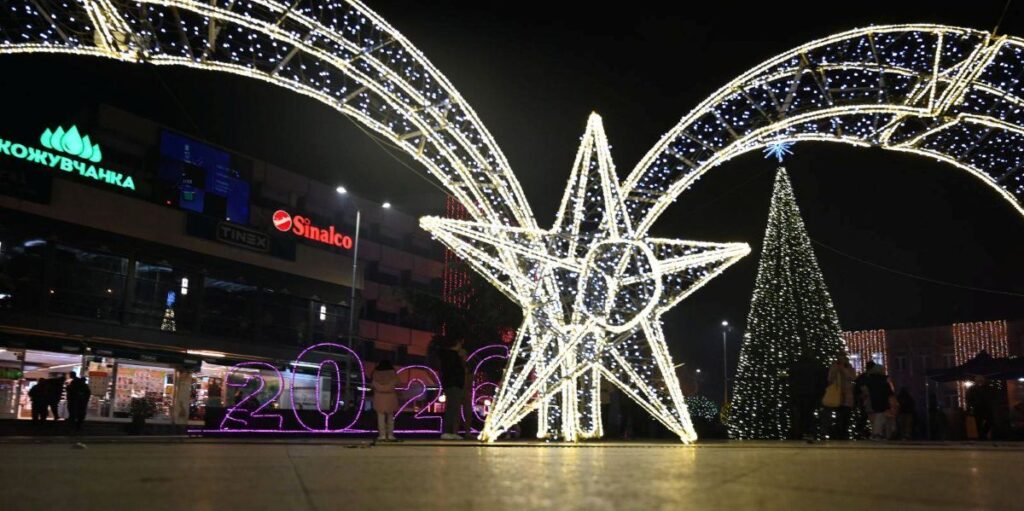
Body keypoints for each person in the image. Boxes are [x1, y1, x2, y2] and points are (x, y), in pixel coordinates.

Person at [787, 352, 827, 440]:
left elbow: (791, 378)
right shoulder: (815, 366)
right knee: (809, 414)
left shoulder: (796, 367)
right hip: (811, 393)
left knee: (800, 414)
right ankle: (809, 432)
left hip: (799, 393)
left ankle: (800, 433)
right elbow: (820, 380)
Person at [438, 337, 469, 440]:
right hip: (453, 385)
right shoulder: (452, 356)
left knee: (454, 408)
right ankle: (446, 431)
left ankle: (451, 432)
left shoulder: (448, 355)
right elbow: (457, 371)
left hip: (452, 384)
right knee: (452, 407)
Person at [820, 352, 856, 439]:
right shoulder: (834, 366)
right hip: (836, 393)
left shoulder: (849, 367)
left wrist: (843, 369)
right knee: (832, 414)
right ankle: (831, 432)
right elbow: (830, 378)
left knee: (845, 415)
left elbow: (852, 377)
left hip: (846, 394)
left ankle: (842, 433)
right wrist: (836, 370)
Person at [860, 361, 894, 440]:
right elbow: (889, 391)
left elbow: (864, 389)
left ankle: (876, 433)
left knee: (877, 416)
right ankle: (878, 433)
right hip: (883, 400)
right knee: (881, 416)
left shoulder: (869, 379)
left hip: (873, 400)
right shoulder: (884, 379)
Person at [371, 359, 400, 441]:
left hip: (379, 397)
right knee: (390, 417)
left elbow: (373, 384)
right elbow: (398, 383)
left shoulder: (375, 373)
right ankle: (390, 435)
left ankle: (382, 435)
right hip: (390, 397)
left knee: (380, 417)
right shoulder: (393, 374)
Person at [966, 375, 995, 440]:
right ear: (976, 381)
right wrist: (971, 406)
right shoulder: (972, 389)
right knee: (978, 423)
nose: (980, 382)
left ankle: (983, 434)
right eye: (978, 380)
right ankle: (981, 436)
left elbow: (992, 397)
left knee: (990, 421)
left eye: (981, 380)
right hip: (977, 408)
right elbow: (968, 399)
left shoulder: (988, 388)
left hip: (987, 407)